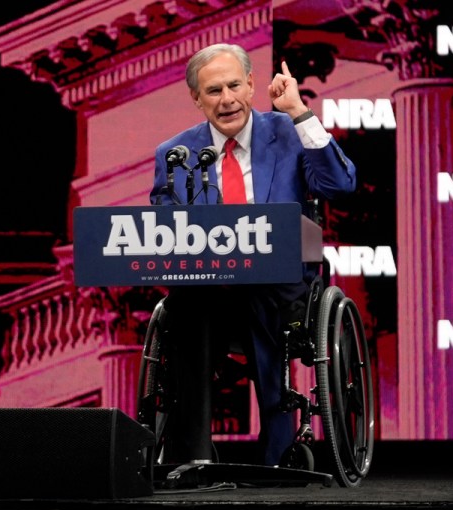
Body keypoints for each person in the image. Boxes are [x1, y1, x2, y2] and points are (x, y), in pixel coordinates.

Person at [149, 43, 356, 466]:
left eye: (233, 86)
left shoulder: (288, 133)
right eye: (212, 91)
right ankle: (194, 455)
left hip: (280, 288)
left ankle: (278, 446)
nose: (226, 100)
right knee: (186, 304)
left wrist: (299, 112)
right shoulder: (176, 155)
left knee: (257, 294)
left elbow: (339, 186)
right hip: (208, 289)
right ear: (196, 98)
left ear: (251, 85)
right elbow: (163, 229)